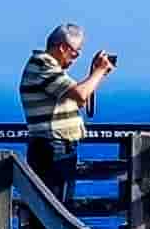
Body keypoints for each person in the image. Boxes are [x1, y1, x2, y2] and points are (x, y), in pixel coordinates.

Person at [14, 21, 116, 206]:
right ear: (62, 48)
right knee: (53, 209)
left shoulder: (51, 69)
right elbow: (80, 95)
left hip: (57, 148)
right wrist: (99, 71)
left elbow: (80, 99)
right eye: (76, 52)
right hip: (52, 148)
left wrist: (96, 73)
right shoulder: (43, 65)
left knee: (56, 206)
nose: (76, 57)